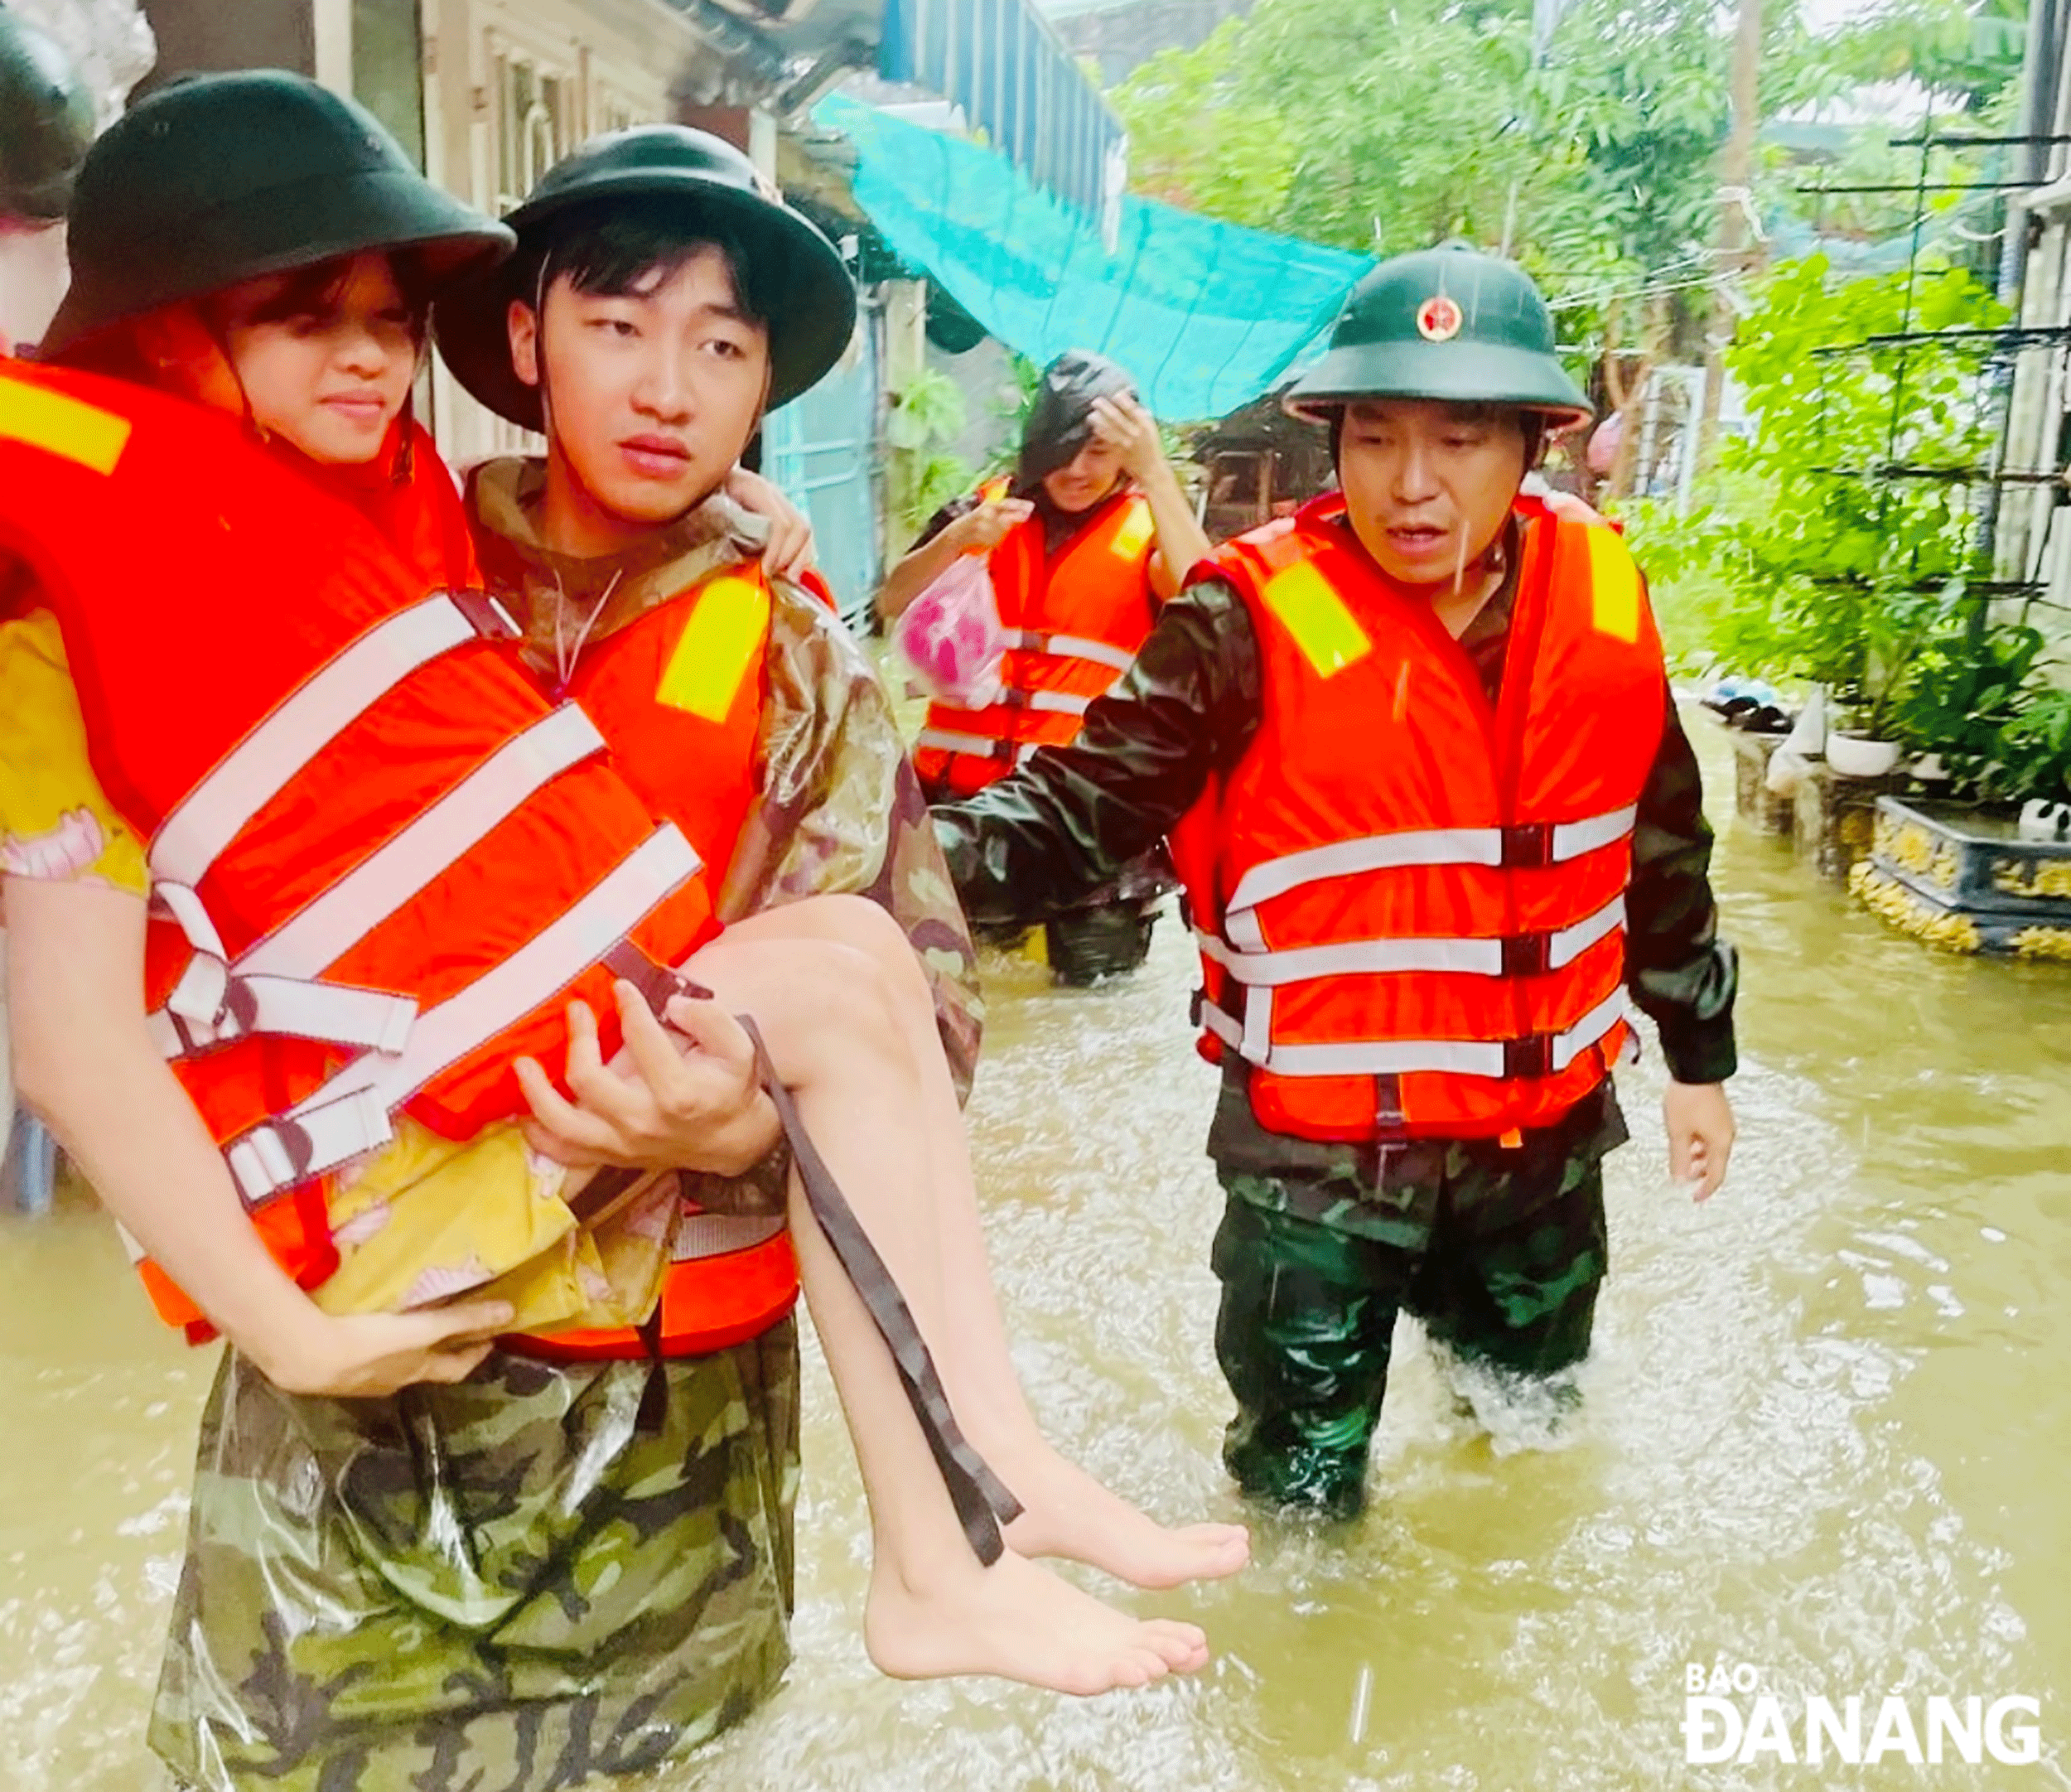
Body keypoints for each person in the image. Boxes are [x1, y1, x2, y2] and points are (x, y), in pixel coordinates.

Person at [0, 84, 1224, 1792]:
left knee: (855, 978)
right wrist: (282, 1324)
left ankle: (974, 1482)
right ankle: (972, 1492)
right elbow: (83, 1013)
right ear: (519, 335)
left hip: (673, 1451)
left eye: (721, 347)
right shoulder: (367, 556)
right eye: (617, 324)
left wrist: (729, 1121)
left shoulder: (791, 643)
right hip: (364, 1423)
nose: (665, 386)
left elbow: (928, 1027)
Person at [934, 243, 1740, 1519]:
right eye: (1374, 440)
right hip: (1317, 1172)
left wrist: (1699, 1055)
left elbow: (1661, 840)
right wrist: (848, 875)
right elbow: (1071, 816)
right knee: (1300, 1504)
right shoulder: (1239, 619)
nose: (1411, 486)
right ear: (1337, 445)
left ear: (1532, 444)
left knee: (1524, 1456)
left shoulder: (1602, 590)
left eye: (1460, 441)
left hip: (1540, 1152)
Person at [877, 350, 1212, 983]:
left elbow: (1214, 600)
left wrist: (1157, 474)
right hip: (960, 811)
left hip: (1086, 828)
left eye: (1100, 453)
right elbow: (891, 602)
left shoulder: (1149, 531)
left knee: (1088, 1011)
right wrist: (957, 541)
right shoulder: (983, 511)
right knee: (939, 992)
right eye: (1066, 450)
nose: (1079, 471)